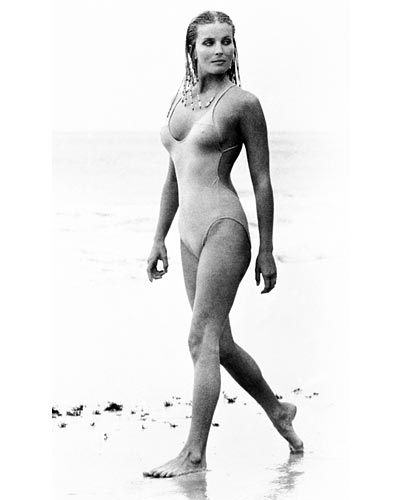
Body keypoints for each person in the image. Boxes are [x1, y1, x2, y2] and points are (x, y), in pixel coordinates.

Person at [144, 10, 303, 478]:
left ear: (235, 47)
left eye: (227, 41)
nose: (219, 50)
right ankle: (279, 411)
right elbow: (174, 176)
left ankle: (194, 454)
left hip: (224, 229)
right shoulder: (180, 102)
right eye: (209, 42)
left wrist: (267, 249)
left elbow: (262, 180)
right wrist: (158, 237)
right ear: (192, 49)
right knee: (221, 343)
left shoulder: (243, 104)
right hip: (187, 235)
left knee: (200, 338)